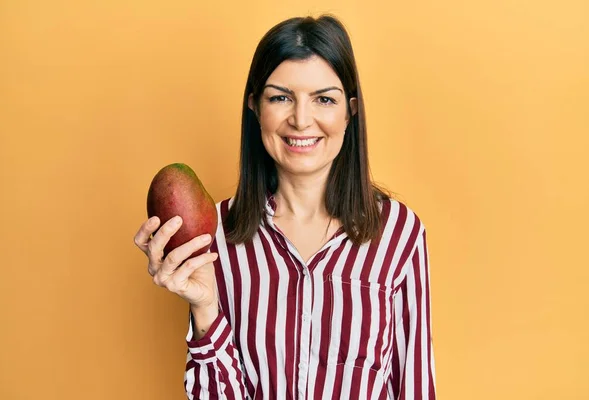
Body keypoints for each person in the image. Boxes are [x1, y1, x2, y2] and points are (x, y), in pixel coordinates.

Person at [134, 14, 436, 399]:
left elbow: (415, 386)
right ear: (255, 108)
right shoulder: (214, 238)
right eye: (280, 97)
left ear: (350, 112)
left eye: (324, 99)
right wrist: (204, 307)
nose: (301, 119)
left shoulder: (399, 234)